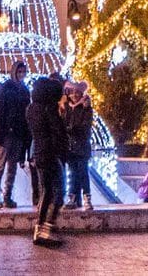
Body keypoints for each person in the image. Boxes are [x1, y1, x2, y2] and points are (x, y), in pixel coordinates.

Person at [26, 73, 68, 247]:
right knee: (57, 192)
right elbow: (58, 132)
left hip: (40, 154)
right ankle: (45, 229)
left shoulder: (31, 109)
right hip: (50, 154)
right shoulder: (48, 110)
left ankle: (41, 229)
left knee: (47, 191)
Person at [0, 60, 31, 209]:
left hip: (18, 135)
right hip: (6, 135)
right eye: (19, 72)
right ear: (14, 72)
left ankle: (7, 197)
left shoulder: (24, 90)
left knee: (12, 168)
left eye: (23, 72)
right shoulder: (5, 90)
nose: (21, 75)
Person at [62, 79, 95, 211]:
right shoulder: (67, 108)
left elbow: (86, 125)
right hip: (70, 147)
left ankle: (87, 198)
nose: (75, 95)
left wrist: (72, 129)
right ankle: (72, 197)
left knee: (83, 172)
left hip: (81, 146)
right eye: (73, 92)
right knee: (72, 173)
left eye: (78, 93)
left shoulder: (86, 108)